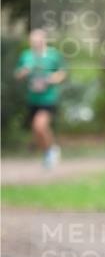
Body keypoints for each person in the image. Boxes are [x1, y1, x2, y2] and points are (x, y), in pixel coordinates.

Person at [14, 29, 66, 168]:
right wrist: (24, 72)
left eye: (38, 40)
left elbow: (62, 73)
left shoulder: (53, 55)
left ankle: (51, 152)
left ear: (44, 40)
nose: (36, 43)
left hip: (48, 98)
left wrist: (50, 79)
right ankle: (49, 150)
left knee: (40, 126)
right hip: (32, 99)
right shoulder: (26, 56)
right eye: (33, 41)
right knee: (37, 131)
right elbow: (18, 75)